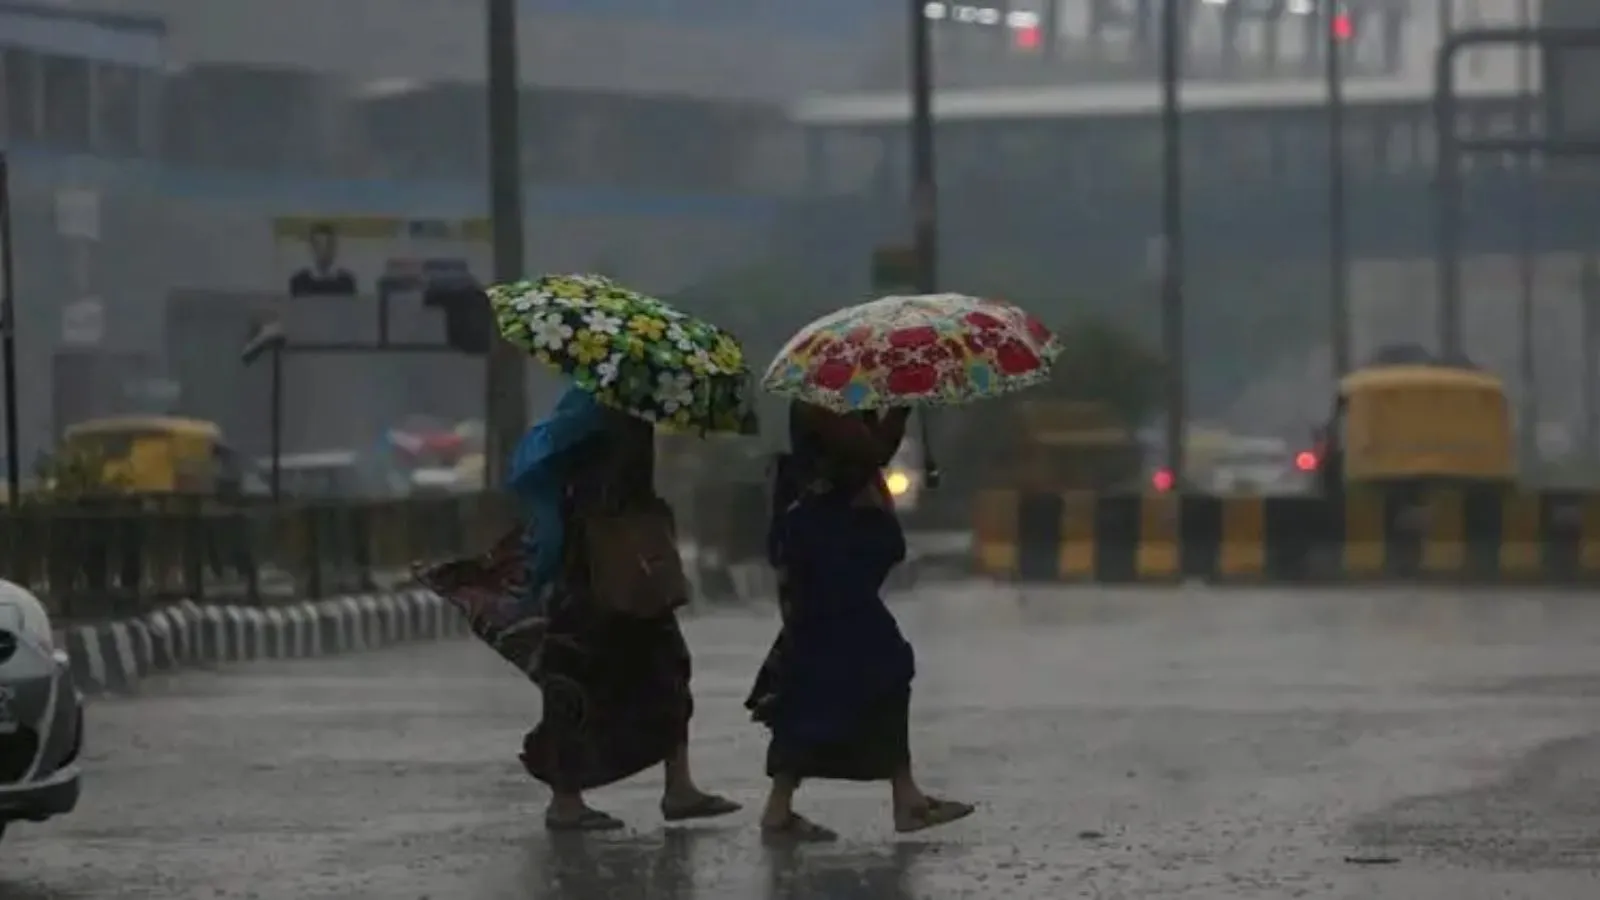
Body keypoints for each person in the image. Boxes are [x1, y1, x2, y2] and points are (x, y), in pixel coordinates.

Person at [421, 386, 739, 831]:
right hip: (596, 573)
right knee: (576, 682)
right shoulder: (595, 419)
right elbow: (599, 494)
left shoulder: (613, 412)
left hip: (627, 570)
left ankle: (678, 786)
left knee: (667, 669)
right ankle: (567, 799)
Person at [747, 402, 974, 841]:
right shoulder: (821, 400)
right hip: (824, 558)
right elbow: (866, 452)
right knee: (881, 663)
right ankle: (904, 798)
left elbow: (870, 456)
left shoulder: (851, 399)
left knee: (816, 672)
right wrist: (899, 414)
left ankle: (785, 807)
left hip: (835, 557)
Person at [288, 222, 357, 297]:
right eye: (319, 245)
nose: (323, 250)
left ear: (334, 247)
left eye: (328, 245)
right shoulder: (299, 281)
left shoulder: (346, 281)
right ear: (312, 247)